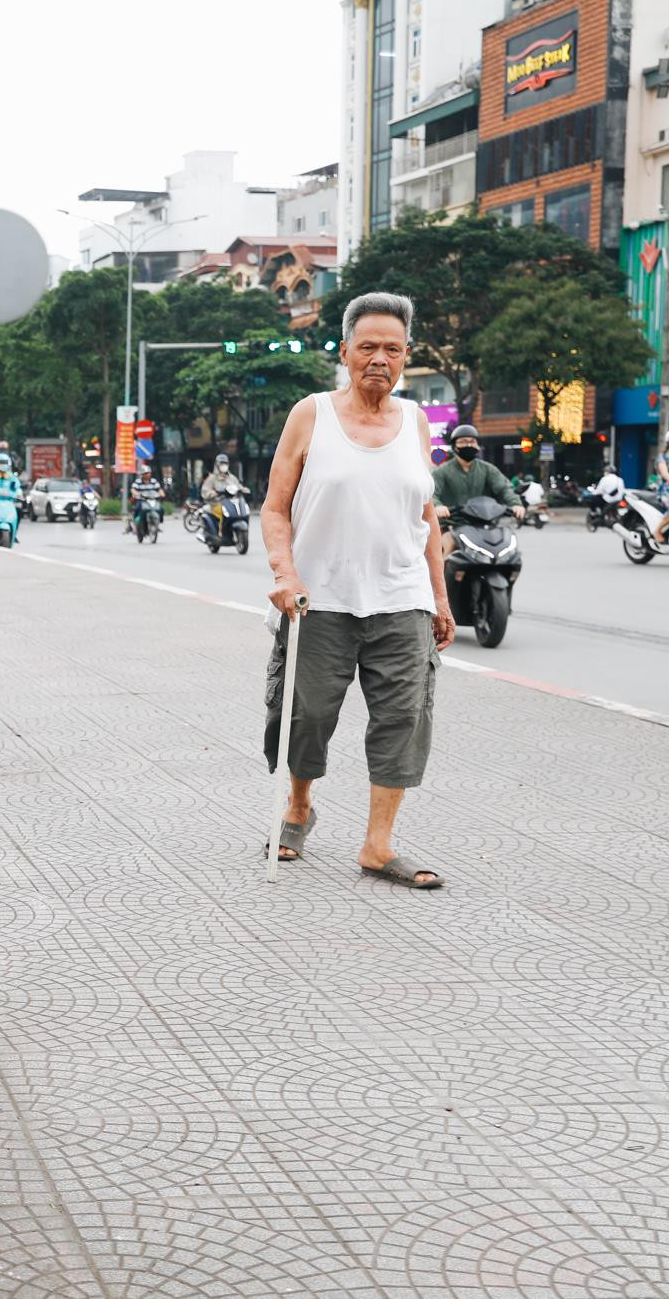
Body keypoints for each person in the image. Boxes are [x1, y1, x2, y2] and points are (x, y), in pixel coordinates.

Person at [260, 291, 452, 890]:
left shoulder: (417, 420)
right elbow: (274, 507)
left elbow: (426, 516)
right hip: (321, 600)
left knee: (402, 719)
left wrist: (441, 599)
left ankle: (377, 844)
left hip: (402, 599)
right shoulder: (311, 414)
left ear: (406, 357)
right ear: (344, 351)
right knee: (308, 713)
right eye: (367, 346)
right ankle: (297, 806)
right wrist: (284, 573)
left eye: (392, 349)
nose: (379, 359)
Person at [431, 423, 523, 530]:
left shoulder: (488, 469)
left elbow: (504, 488)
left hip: (484, 524)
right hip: (451, 525)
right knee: (447, 544)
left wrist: (516, 504)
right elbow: (431, 494)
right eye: (463, 442)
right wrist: (438, 506)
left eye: (472, 442)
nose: (469, 445)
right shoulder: (441, 472)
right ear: (454, 446)